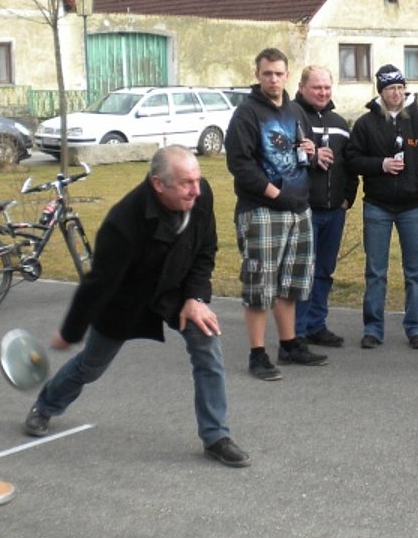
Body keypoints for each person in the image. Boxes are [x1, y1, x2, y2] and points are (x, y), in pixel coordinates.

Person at [22, 147, 250, 467]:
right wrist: (70, 331)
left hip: (176, 291)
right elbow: (98, 283)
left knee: (207, 344)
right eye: (186, 183)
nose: (195, 190)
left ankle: (216, 437)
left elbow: (205, 249)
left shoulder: (201, 195)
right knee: (91, 366)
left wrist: (196, 298)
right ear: (158, 184)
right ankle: (46, 405)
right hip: (127, 300)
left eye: (197, 180)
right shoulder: (122, 222)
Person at [225, 47, 327, 381]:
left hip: (298, 209)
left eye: (279, 73)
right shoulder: (246, 114)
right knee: (260, 285)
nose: (273, 79)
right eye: (267, 73)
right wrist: (274, 194)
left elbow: (301, 153)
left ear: (287, 75)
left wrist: (310, 152)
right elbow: (240, 164)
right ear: (257, 75)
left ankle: (290, 344)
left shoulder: (295, 110)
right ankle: (257, 354)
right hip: (262, 210)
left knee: (290, 283)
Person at [345, 64, 418, 349]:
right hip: (377, 205)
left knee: (415, 271)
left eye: (400, 88)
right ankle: (373, 329)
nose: (396, 93)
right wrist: (381, 165)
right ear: (381, 92)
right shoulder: (365, 124)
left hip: (413, 206)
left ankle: (416, 328)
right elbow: (353, 159)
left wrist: (417, 180)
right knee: (376, 271)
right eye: (390, 89)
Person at [293, 65, 358, 348]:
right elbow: (281, 158)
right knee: (301, 272)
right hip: (304, 208)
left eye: (327, 87)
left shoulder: (340, 123)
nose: (322, 92)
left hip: (334, 210)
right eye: (316, 87)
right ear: (302, 87)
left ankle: (316, 324)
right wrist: (310, 156)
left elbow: (350, 164)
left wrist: (347, 198)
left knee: (324, 271)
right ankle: (296, 331)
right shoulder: (291, 117)